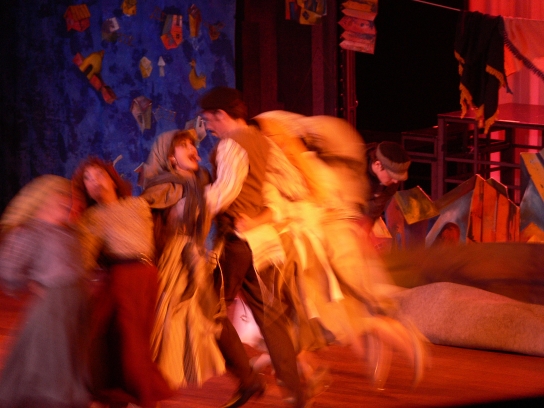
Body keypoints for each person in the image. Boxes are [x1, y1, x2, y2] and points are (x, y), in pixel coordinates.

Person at [199, 87, 310, 408]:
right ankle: (295, 393)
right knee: (270, 318)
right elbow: (295, 185)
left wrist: (187, 210)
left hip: (236, 243)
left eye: (209, 120)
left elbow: (224, 192)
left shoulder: (231, 144)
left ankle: (248, 380)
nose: (209, 127)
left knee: (209, 313)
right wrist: (263, 213)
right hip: (261, 244)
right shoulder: (263, 142)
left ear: (221, 114)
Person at [72, 157, 173, 408]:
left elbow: (152, 239)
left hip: (147, 276)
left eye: (99, 174)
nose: (94, 181)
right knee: (126, 341)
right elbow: (85, 258)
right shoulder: (92, 217)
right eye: (87, 179)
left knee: (136, 339)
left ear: (112, 179)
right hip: (121, 277)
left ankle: (125, 396)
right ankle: (139, 395)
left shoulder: (138, 205)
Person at [140, 129, 225, 388]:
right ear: (171, 158)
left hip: (193, 261)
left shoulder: (201, 186)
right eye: (184, 145)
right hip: (171, 263)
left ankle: (153, 389)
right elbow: (142, 220)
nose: (192, 149)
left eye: (192, 144)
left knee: (180, 333)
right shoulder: (164, 187)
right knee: (163, 329)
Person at [0, 175, 91, 408]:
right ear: (44, 197)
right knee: (51, 361)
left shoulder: (69, 230)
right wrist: (32, 283)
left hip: (76, 303)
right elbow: (9, 269)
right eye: (61, 195)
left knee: (70, 357)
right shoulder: (30, 231)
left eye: (68, 196)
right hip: (54, 308)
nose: (67, 201)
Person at [360, 141, 411, 233]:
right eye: (392, 176)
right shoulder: (351, 166)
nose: (396, 181)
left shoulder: (392, 182)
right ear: (378, 165)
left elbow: (375, 208)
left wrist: (364, 229)